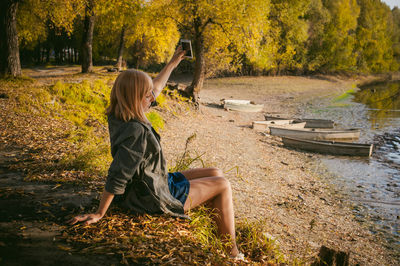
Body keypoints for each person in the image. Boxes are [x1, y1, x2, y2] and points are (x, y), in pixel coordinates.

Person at [68, 47, 242, 259]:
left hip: (153, 180)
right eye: (147, 94)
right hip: (151, 197)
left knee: (216, 171)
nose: (153, 97)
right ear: (136, 98)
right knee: (223, 184)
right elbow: (118, 174)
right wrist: (100, 213)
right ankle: (231, 252)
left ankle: (218, 225)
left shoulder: (120, 113)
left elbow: (156, 87)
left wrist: (173, 62)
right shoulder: (135, 131)